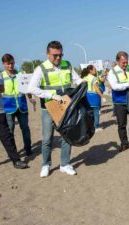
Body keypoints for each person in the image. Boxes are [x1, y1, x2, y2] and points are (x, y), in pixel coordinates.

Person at [28, 41, 84, 177]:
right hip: (48, 108)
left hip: (65, 107)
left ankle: (65, 164)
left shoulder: (67, 65)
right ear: (48, 54)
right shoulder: (41, 68)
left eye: (60, 55)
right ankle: (46, 164)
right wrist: (51, 96)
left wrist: (83, 83)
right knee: (47, 138)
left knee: (67, 135)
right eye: (55, 55)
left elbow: (76, 80)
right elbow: (31, 88)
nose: (58, 58)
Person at [1, 53, 34, 157]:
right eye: (8, 64)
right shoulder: (1, 76)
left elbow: (26, 88)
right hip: (8, 107)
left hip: (22, 106)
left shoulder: (21, 74)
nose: (10, 65)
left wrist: (30, 98)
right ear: (3, 64)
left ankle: (28, 149)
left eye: (12, 63)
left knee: (25, 128)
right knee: (9, 130)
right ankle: (12, 151)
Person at [81, 65, 105, 131]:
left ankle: (88, 127)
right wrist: (102, 96)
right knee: (96, 112)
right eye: (94, 69)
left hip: (86, 97)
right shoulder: (94, 78)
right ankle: (96, 127)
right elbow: (97, 89)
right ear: (90, 70)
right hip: (94, 97)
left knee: (88, 113)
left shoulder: (84, 78)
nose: (96, 70)